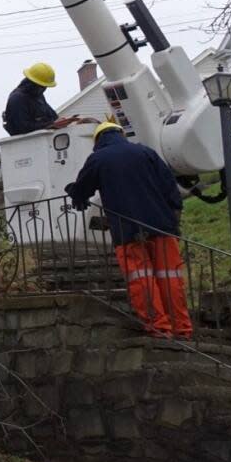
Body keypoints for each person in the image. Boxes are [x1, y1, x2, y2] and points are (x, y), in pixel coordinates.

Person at [64, 121, 193, 339]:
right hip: (162, 226)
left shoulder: (98, 159)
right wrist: (173, 217)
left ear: (97, 140)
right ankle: (182, 327)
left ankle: (159, 326)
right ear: (121, 134)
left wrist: (76, 194)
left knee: (141, 278)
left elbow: (83, 187)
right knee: (170, 276)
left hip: (128, 230)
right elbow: (170, 186)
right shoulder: (146, 152)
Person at [3, 62, 60, 135]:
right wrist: (49, 125)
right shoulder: (17, 99)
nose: (43, 89)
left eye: (45, 86)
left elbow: (53, 116)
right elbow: (23, 127)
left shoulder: (38, 96)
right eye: (41, 86)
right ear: (32, 83)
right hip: (26, 142)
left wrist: (61, 121)